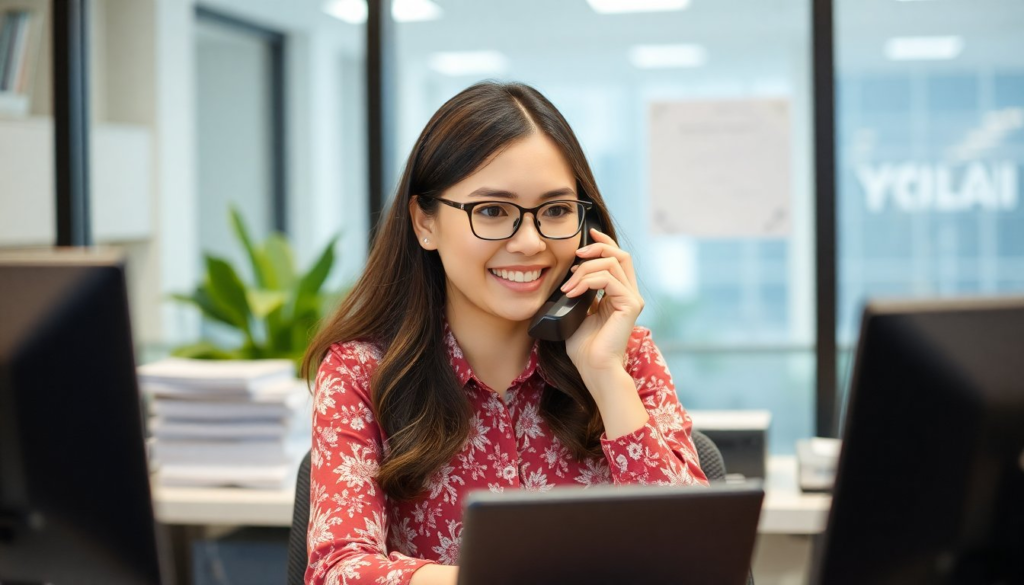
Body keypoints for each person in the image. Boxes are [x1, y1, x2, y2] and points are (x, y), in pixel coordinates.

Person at [301, 81, 708, 585]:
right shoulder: (362, 373)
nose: (530, 242)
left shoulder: (625, 356)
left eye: (556, 211)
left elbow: (696, 563)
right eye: (493, 211)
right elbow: (338, 571)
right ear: (424, 222)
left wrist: (605, 376)